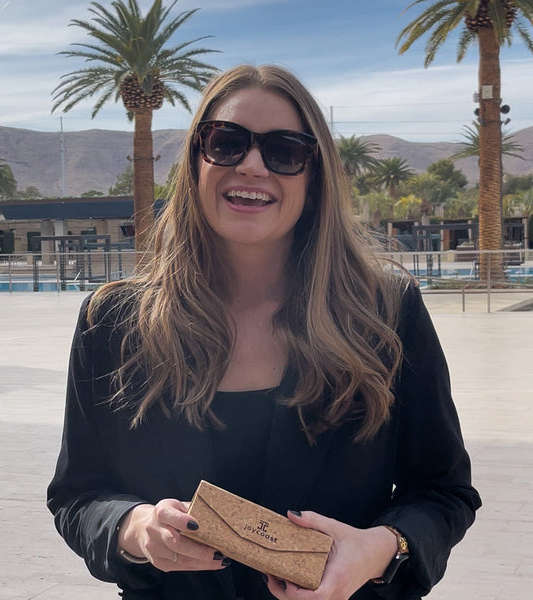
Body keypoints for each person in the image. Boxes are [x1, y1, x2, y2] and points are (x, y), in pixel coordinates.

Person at [47, 64, 481, 600]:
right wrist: (134, 528)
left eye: (284, 151)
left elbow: (443, 492)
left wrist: (379, 549)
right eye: (227, 142)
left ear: (315, 177)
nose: (252, 165)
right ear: (195, 162)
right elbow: (78, 494)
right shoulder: (112, 324)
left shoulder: (385, 314)